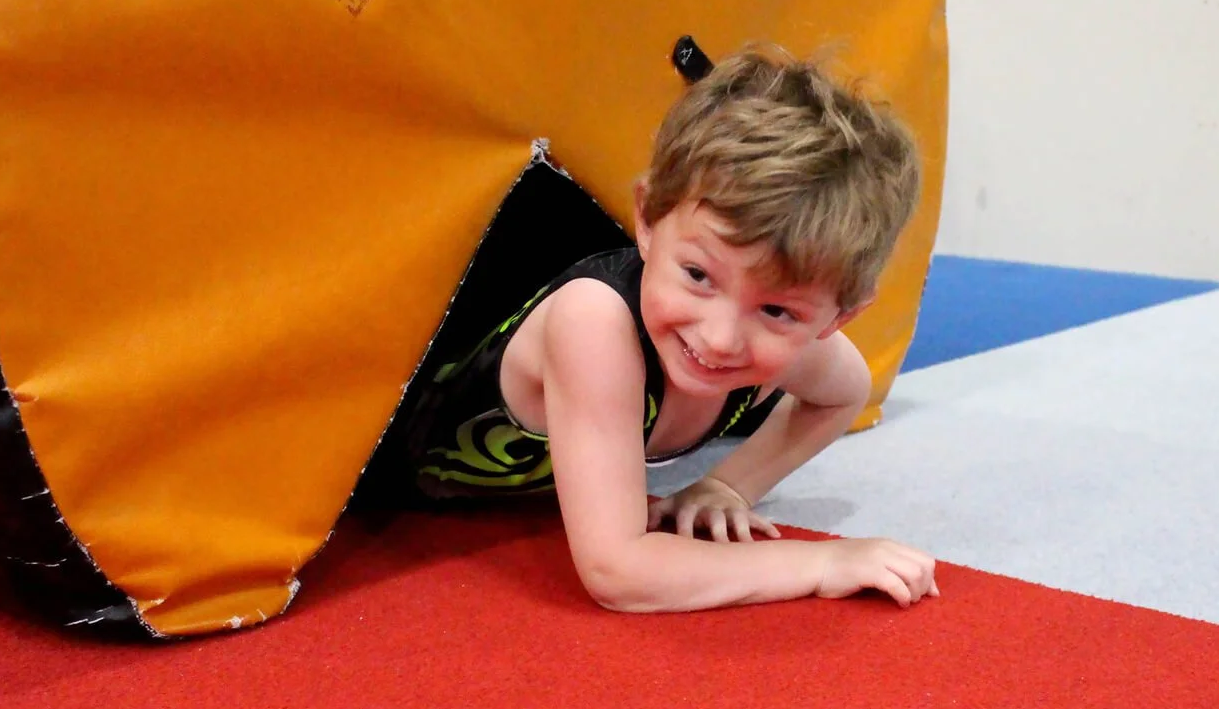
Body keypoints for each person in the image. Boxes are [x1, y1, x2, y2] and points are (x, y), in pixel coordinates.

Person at [398, 45, 939, 612]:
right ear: (649, 219)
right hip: (390, 483)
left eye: (777, 311)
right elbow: (617, 571)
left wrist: (728, 487)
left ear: (839, 317)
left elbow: (844, 394)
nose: (721, 337)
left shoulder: (790, 345)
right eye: (698, 275)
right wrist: (823, 561)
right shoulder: (594, 321)